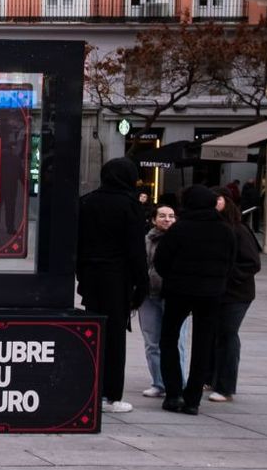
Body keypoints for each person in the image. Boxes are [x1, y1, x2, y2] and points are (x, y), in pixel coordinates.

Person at [153, 185, 236, 416]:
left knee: (168, 339)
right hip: (211, 293)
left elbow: (161, 260)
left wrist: (173, 278)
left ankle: (173, 394)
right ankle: (192, 399)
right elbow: (231, 262)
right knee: (203, 343)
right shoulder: (225, 230)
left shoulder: (180, 229)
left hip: (179, 291)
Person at [75, 158, 149, 414]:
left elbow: (77, 242)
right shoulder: (129, 205)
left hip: (90, 276)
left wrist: (81, 272)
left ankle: (91, 389)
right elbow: (136, 250)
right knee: (115, 336)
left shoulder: (87, 201)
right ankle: (112, 394)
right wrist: (142, 283)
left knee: (94, 331)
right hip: (117, 278)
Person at [208, 193, 261, 402]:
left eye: (218, 199)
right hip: (216, 291)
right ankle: (210, 377)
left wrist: (225, 276)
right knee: (214, 334)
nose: (214, 203)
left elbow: (252, 263)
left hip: (236, 293)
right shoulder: (212, 228)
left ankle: (225, 386)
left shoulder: (238, 229)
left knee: (227, 334)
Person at [138, 204, 188, 400]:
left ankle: (178, 383)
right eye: (162, 216)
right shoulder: (145, 240)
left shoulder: (182, 239)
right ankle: (159, 383)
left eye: (171, 216)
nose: (167, 219)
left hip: (174, 296)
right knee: (152, 341)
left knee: (178, 341)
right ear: (153, 219)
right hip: (148, 296)